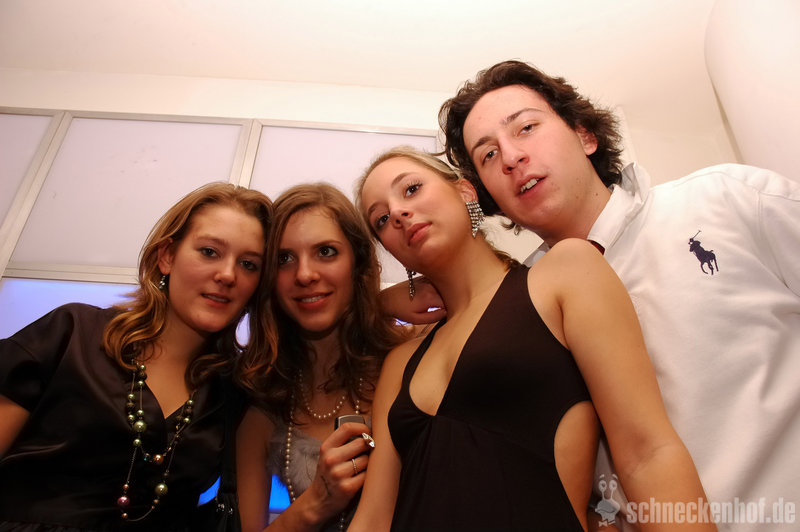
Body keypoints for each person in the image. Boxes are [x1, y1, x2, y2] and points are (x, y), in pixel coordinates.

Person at [435, 60, 800, 531]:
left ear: (585, 135)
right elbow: (584, 486)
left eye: (525, 128)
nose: (510, 157)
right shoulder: (521, 320)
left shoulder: (726, 199)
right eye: (488, 155)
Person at [350, 146, 714, 532]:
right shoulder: (401, 363)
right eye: (382, 219)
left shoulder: (563, 273)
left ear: (465, 192)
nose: (398, 214)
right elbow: (373, 519)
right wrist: (376, 303)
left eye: (411, 189)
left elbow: (647, 453)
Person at [0, 182, 274, 531]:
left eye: (249, 264)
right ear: (167, 256)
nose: (228, 274)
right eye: (209, 251)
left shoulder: (233, 391)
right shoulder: (71, 334)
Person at [236, 183, 407, 532]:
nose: (304, 274)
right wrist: (316, 502)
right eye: (284, 259)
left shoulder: (410, 360)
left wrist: (381, 303)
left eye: (326, 252)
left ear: (358, 262)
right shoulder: (264, 406)